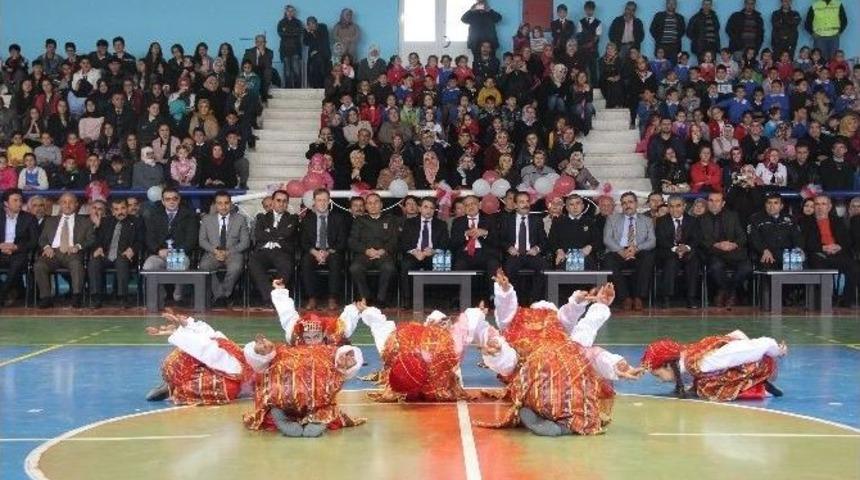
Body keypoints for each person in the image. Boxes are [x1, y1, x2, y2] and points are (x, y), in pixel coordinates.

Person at [478, 276, 643, 436]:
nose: (541, 315)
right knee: (579, 353)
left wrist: (618, 366)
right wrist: (496, 352)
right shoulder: (517, 326)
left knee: (578, 350)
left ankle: (544, 416)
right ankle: (558, 420)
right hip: (538, 368)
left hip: (556, 365)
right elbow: (508, 358)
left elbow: (581, 328)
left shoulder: (564, 334)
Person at [360, 301, 492, 401]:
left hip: (422, 386)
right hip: (417, 385)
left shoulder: (448, 342)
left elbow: (381, 329)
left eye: (443, 323)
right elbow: (468, 324)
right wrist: (479, 313)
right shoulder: (406, 340)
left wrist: (367, 312)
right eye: (440, 323)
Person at [242, 329, 364, 437]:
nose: (311, 341)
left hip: (318, 404)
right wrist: (260, 352)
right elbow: (260, 366)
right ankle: (282, 416)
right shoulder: (283, 350)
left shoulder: (330, 351)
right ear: (299, 337)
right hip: (284, 403)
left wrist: (347, 360)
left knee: (327, 410)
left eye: (316, 337)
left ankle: (318, 420)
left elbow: (343, 361)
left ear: (323, 336)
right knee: (270, 400)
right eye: (307, 337)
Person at [144, 310, 253, 404]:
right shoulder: (223, 346)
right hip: (220, 366)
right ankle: (172, 385)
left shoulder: (235, 364)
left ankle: (174, 388)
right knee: (183, 356)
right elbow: (204, 337)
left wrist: (175, 329)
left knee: (226, 387)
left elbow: (203, 343)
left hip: (228, 376)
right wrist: (176, 328)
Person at [642, 331, 787, 401]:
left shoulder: (701, 363)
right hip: (742, 358)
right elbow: (735, 335)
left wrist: (776, 350)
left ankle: (758, 385)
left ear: (668, 365)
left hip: (763, 365)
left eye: (658, 375)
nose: (660, 380)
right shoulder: (687, 356)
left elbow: (741, 350)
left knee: (707, 390)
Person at [34, 192, 94, 308]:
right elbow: (42, 239)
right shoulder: (50, 221)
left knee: (76, 264)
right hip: (53, 253)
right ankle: (46, 298)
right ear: (60, 204)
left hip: (72, 253)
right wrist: (47, 247)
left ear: (76, 204)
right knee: (39, 265)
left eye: (71, 202)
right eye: (64, 202)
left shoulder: (85, 221)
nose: (67, 205)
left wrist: (78, 246)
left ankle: (77, 297)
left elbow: (91, 239)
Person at [142, 188, 200, 304]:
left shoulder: (189, 216)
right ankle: (160, 296)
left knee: (178, 262)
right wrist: (158, 250)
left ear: (179, 200)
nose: (171, 202)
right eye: (167, 199)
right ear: (163, 201)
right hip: (160, 254)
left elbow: (191, 240)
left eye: (175, 199)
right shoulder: (154, 216)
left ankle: (178, 296)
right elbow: (149, 238)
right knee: (148, 266)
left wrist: (176, 251)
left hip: (180, 253)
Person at [602, 191, 656, 311]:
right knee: (608, 261)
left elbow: (652, 241)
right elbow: (607, 239)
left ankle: (638, 297)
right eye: (624, 203)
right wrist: (621, 250)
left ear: (636, 204)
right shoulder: (612, 219)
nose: (627, 205)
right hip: (618, 251)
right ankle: (625, 297)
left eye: (630, 202)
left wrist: (637, 248)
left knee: (648, 257)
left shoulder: (647, 220)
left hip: (638, 250)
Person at [800, 195, 857, 307]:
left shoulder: (838, 221)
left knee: (854, 267)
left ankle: (846, 300)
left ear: (829, 207)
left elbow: (848, 240)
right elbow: (805, 243)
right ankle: (822, 300)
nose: (820, 207)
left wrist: (839, 246)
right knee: (817, 264)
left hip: (837, 252)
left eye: (823, 204)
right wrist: (823, 248)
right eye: (817, 204)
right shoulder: (806, 222)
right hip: (818, 254)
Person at [698, 192, 752, 308]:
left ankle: (726, 291)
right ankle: (731, 293)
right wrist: (717, 244)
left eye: (717, 201)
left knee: (747, 268)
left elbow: (742, 237)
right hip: (714, 252)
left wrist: (733, 244)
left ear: (723, 203)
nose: (713, 203)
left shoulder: (733, 216)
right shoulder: (701, 219)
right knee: (715, 267)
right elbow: (701, 240)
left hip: (733, 252)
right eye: (711, 200)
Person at [198, 191, 250, 308]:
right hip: (213, 253)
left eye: (226, 203)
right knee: (204, 267)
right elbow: (202, 241)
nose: (223, 206)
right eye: (220, 203)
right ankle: (220, 295)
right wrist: (215, 251)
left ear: (231, 204)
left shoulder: (240, 219)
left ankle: (223, 295)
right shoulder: (207, 219)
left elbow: (245, 242)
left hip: (233, 253)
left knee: (236, 267)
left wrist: (228, 252)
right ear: (215, 205)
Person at [88, 198, 141, 309]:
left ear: (127, 209)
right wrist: (98, 247)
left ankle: (123, 298)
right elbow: (96, 238)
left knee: (122, 262)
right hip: (106, 254)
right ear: (112, 211)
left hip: (124, 254)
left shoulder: (136, 222)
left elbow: (141, 240)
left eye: (123, 208)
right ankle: (96, 297)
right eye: (116, 209)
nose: (120, 212)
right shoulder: (106, 221)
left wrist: (133, 249)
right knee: (94, 261)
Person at [248, 190, 299, 304]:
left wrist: (269, 232)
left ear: (287, 203)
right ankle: (271, 296)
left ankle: (275, 294)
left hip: (282, 251)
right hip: (263, 251)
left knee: (286, 265)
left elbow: (288, 233)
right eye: (278, 200)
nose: (281, 204)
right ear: (273, 202)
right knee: (253, 262)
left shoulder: (292, 218)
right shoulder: (262, 217)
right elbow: (258, 235)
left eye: (284, 201)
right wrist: (279, 234)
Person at [300, 188, 348, 310]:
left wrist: (327, 252)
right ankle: (312, 298)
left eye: (325, 200)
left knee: (336, 261)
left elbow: (342, 242)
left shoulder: (339, 218)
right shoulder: (307, 219)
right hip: (313, 250)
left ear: (329, 201)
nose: (322, 203)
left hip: (332, 250)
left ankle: (332, 298)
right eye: (319, 200)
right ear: (314, 202)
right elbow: (303, 242)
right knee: (306, 261)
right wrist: (315, 252)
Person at [348, 193, 397, 307]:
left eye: (376, 202)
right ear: (366, 206)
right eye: (369, 203)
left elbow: (394, 240)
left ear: (381, 204)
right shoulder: (359, 220)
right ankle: (366, 297)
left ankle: (381, 299)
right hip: (364, 254)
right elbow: (352, 241)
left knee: (389, 268)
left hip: (383, 254)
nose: (373, 205)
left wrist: (383, 250)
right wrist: (366, 250)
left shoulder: (390, 219)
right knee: (355, 268)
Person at [499, 192, 548, 305]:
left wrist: (537, 248)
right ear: (515, 205)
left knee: (544, 268)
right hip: (514, 255)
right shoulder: (507, 220)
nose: (525, 204)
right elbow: (500, 239)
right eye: (521, 202)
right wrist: (508, 248)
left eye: (527, 201)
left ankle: (535, 301)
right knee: (508, 269)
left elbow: (544, 241)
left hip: (531, 254)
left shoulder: (536, 220)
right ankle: (514, 302)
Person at [399, 197, 449, 308]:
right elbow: (403, 243)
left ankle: (438, 300)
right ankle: (407, 299)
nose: (428, 210)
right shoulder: (409, 223)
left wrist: (433, 251)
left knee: (440, 264)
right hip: (414, 255)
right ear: (420, 208)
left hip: (432, 255)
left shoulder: (441, 224)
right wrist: (414, 251)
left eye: (432, 208)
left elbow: (445, 244)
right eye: (425, 207)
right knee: (405, 265)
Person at [655, 196, 702, 309]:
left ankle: (691, 297)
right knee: (670, 261)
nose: (674, 209)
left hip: (687, 252)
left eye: (678, 206)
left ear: (684, 206)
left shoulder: (693, 220)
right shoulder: (661, 221)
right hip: (669, 251)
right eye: (671, 206)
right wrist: (675, 249)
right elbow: (661, 239)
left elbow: (696, 238)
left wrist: (685, 247)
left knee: (693, 261)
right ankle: (666, 297)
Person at [450, 195, 500, 287]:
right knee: (459, 265)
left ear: (479, 205)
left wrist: (485, 233)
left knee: (493, 264)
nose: (470, 206)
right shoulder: (457, 222)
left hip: (486, 254)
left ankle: (495, 296)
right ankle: (462, 297)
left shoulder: (490, 219)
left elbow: (498, 241)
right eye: (467, 205)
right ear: (464, 209)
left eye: (473, 203)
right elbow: (453, 243)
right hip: (465, 255)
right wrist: (465, 234)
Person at [0, 189, 38, 307]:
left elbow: (34, 241)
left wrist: (15, 247)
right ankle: (12, 291)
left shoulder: (29, 218)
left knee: (17, 263)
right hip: (1, 251)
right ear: (6, 203)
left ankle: (2, 294)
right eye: (15, 200)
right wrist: (1, 246)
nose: (19, 203)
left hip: (19, 253)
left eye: (20, 200)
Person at [748, 193, 803, 271]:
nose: (772, 206)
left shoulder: (790, 219)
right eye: (769, 203)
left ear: (781, 206)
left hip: (787, 254)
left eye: (775, 203)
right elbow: (753, 238)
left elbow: (797, 237)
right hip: (766, 253)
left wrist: (797, 250)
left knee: (802, 264)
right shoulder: (756, 219)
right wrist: (764, 250)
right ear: (765, 205)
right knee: (766, 263)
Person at [548, 194, 601, 270]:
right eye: (571, 204)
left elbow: (598, 240)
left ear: (582, 206)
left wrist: (590, 246)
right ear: (566, 208)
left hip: (586, 258)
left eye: (578, 203)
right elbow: (551, 240)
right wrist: (558, 250)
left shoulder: (590, 222)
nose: (575, 207)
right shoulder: (558, 222)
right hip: (565, 257)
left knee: (590, 267)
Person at [277, 5, 304, 89]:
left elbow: (299, 33)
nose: (290, 12)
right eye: (288, 11)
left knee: (296, 70)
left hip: (296, 49)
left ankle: (298, 88)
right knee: (287, 71)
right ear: (285, 12)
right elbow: (281, 34)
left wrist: (288, 33)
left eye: (292, 11)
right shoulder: (281, 22)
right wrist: (292, 33)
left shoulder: (298, 22)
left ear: (294, 12)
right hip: (285, 50)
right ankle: (288, 88)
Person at [243, 35, 274, 100]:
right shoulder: (248, 51)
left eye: (262, 42)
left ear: (265, 43)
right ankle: (262, 94)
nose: (260, 43)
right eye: (258, 42)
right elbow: (244, 64)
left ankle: (264, 93)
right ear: (255, 43)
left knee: (268, 71)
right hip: (252, 69)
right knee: (256, 71)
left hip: (264, 70)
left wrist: (263, 54)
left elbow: (268, 64)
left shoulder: (269, 52)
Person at [304, 16, 331, 89]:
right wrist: (309, 33)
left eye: (313, 23)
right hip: (314, 56)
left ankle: (322, 85)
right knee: (314, 69)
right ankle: (315, 85)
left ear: (316, 23)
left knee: (322, 68)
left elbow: (323, 40)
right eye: (309, 24)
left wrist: (317, 51)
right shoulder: (307, 31)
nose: (311, 26)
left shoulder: (323, 27)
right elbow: (306, 42)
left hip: (324, 53)